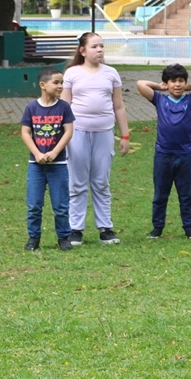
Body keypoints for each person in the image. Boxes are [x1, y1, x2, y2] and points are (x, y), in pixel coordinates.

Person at [61, 32, 129, 246]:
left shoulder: (111, 73)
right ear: (82, 51)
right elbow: (64, 107)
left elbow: (119, 106)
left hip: (104, 133)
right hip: (77, 133)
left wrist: (124, 135)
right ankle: (75, 229)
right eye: (94, 46)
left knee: (101, 181)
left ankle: (105, 228)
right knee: (77, 182)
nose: (99, 50)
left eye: (101, 46)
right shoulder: (72, 73)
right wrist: (62, 136)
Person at [136, 64, 191, 239]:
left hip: (185, 156)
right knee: (160, 194)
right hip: (163, 155)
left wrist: (189, 86)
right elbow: (141, 84)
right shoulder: (160, 100)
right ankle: (157, 227)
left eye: (180, 81)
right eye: (173, 81)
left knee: (186, 194)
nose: (177, 85)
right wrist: (160, 86)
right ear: (166, 83)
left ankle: (189, 227)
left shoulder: (190, 100)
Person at [21, 67, 76, 251]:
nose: (61, 86)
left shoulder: (63, 107)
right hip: (36, 166)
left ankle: (64, 238)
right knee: (34, 205)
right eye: (56, 82)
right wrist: (37, 153)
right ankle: (33, 238)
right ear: (43, 85)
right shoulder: (32, 107)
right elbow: (26, 132)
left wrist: (54, 152)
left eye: (62, 82)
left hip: (58, 164)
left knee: (61, 205)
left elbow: (68, 131)